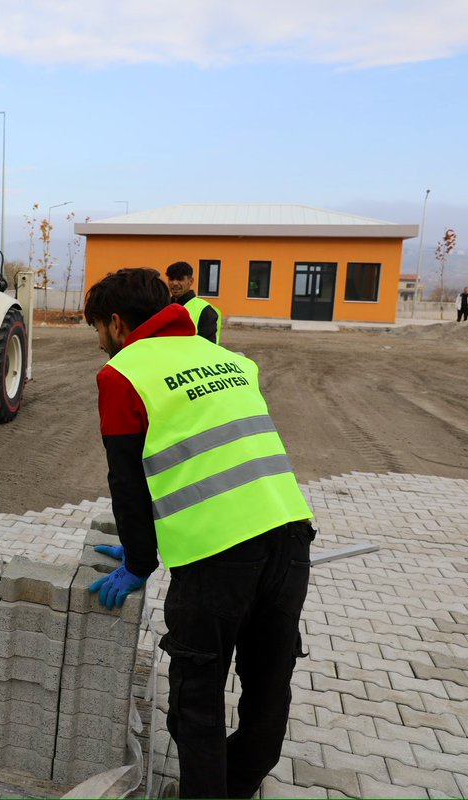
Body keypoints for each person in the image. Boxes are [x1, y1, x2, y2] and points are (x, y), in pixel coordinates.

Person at [83, 267, 315, 799]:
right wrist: (146, 543)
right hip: (290, 536)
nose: (99, 342)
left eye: (97, 329)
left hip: (217, 560)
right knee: (267, 677)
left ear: (117, 324)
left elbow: (128, 482)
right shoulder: (233, 361)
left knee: (197, 695)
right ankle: (239, 784)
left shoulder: (122, 375)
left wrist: (139, 562)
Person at [165, 261, 220, 343]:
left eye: (180, 279)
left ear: (191, 281)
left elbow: (208, 346)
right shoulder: (163, 305)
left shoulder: (204, 310)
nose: (175, 283)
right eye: (171, 279)